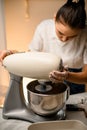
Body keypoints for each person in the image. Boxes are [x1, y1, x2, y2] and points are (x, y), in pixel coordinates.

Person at [0, 0, 87, 95]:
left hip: (75, 80)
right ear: (54, 18)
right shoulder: (44, 28)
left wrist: (67, 76)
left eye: (72, 36)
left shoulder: (85, 35)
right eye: (60, 33)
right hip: (46, 78)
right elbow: (30, 56)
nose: (64, 39)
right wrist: (11, 55)